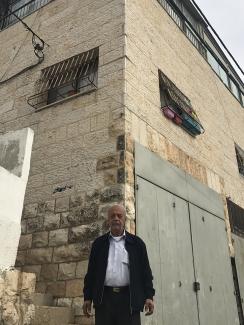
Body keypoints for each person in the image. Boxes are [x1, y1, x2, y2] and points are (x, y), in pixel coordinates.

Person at [82, 204, 155, 325]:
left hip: (129, 300)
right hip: (104, 300)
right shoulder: (98, 244)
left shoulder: (137, 244)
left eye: (119, 215)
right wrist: (87, 297)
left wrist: (149, 296)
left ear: (124, 219)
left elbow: (146, 272)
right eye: (112, 216)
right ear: (108, 220)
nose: (116, 218)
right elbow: (91, 274)